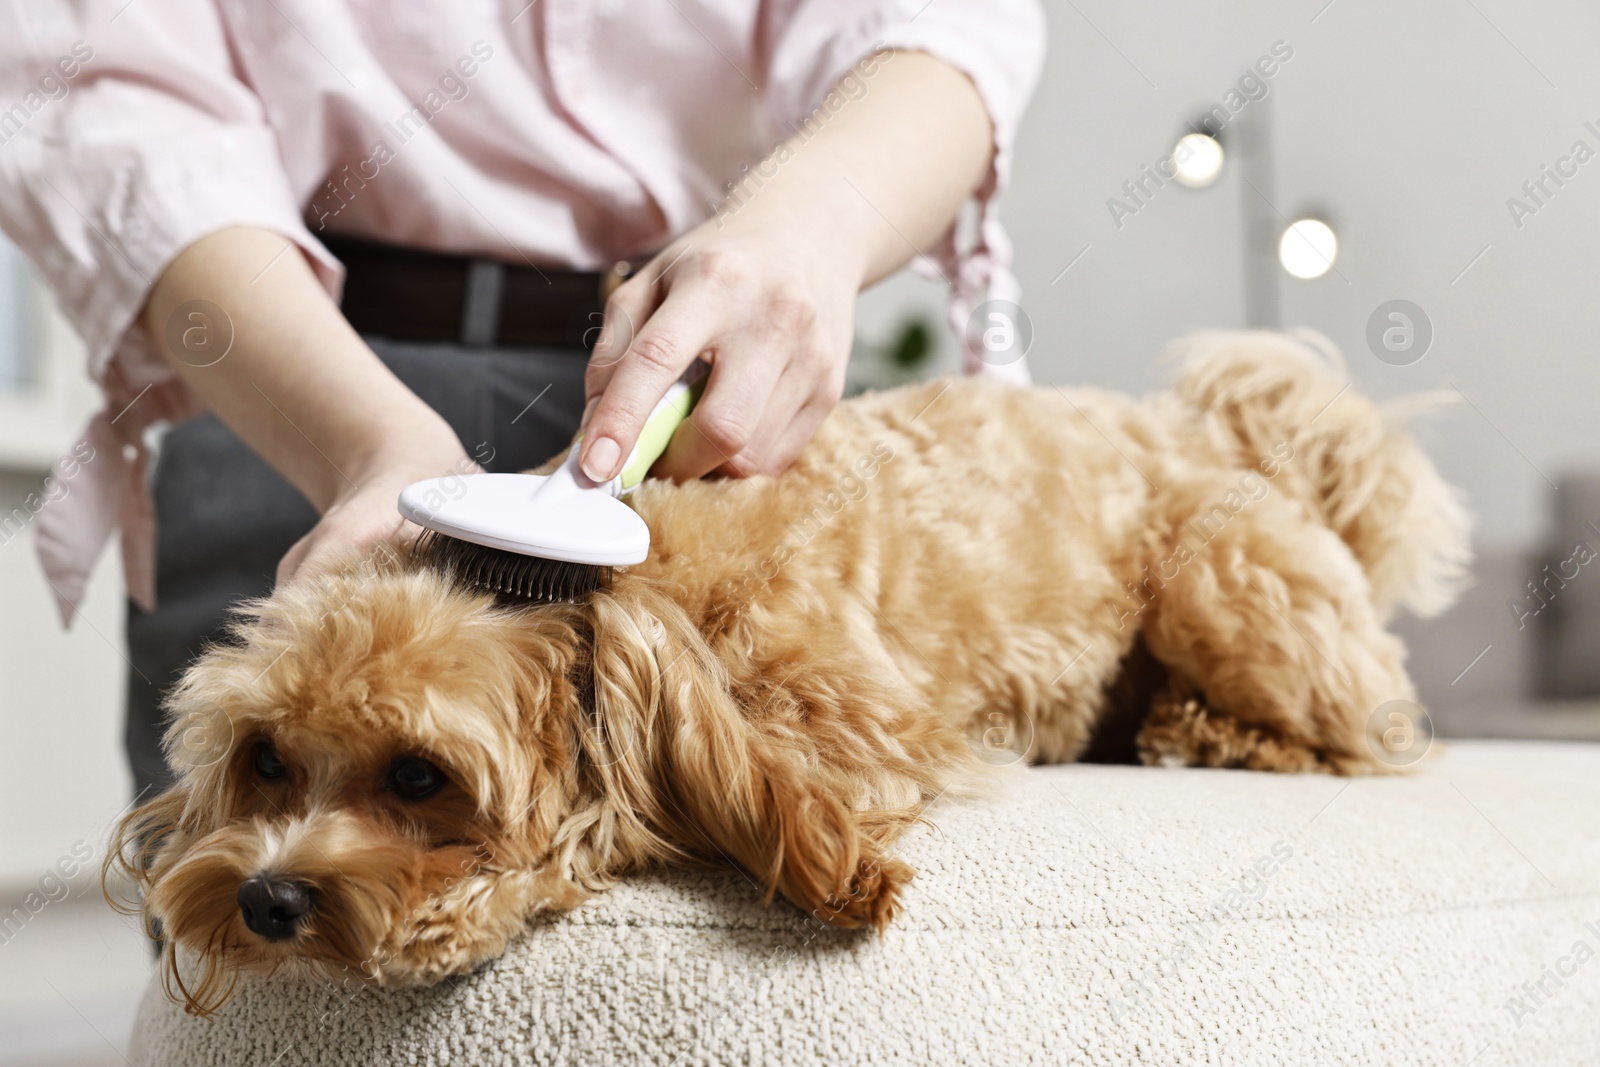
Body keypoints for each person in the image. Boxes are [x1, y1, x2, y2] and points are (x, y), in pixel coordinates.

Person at [0, 1, 1044, 799]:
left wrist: (806, 228)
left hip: (691, 413)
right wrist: (368, 443)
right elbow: (116, 101)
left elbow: (936, 27)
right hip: (292, 376)